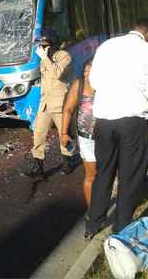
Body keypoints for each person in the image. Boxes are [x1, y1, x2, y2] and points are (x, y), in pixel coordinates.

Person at [85, 19, 148, 239]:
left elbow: (93, 81)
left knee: (103, 172)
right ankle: (121, 227)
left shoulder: (107, 46)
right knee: (130, 175)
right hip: (132, 122)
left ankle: (93, 224)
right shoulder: (147, 51)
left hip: (104, 121)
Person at [26, 28, 75, 176]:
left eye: (45, 45)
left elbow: (58, 73)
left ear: (53, 44)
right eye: (41, 46)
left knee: (63, 134)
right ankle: (38, 165)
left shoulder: (64, 56)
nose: (42, 48)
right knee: (39, 133)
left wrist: (45, 58)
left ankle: (68, 161)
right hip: (45, 103)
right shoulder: (44, 58)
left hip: (60, 103)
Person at [61, 58, 96, 210]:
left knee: (113, 173)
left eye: (91, 70)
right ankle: (93, 212)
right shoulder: (78, 85)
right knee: (91, 176)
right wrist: (63, 133)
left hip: (108, 137)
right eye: (85, 70)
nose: (87, 74)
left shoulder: (108, 84)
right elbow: (68, 109)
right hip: (86, 138)